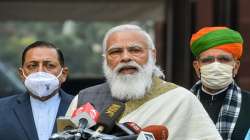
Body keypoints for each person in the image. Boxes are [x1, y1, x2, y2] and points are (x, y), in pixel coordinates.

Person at [66, 24, 222, 139]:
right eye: (116, 52)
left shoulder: (180, 99)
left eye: (135, 50)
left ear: (153, 56)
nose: (125, 57)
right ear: (105, 60)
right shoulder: (84, 98)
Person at [0, 41, 73, 140]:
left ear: (63, 74)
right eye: (32, 66)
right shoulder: (2, 109)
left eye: (50, 65)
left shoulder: (81, 108)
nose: (40, 72)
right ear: (22, 74)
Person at [190, 26, 250, 140]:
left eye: (224, 59)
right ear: (197, 67)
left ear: (236, 67)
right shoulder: (181, 103)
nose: (216, 66)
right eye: (207, 60)